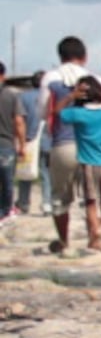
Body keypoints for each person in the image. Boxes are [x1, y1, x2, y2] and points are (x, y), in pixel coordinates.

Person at [36, 37, 101, 252]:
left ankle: (64, 241)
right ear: (85, 56)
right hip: (96, 149)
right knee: (96, 197)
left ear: (60, 56)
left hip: (63, 145)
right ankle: (97, 237)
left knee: (60, 197)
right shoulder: (100, 81)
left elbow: (43, 113)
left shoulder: (50, 78)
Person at [53, 76, 101, 252]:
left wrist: (70, 96)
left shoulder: (78, 114)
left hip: (88, 163)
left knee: (90, 202)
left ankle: (94, 234)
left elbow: (57, 112)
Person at [15, 69, 46, 215]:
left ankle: (23, 203)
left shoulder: (23, 97)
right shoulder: (50, 96)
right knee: (46, 172)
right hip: (47, 138)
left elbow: (20, 119)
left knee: (25, 171)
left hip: (28, 138)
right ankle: (47, 203)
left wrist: (21, 141)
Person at [0, 62, 27, 226]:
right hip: (5, 145)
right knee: (7, 181)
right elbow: (18, 121)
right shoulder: (11, 95)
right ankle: (5, 211)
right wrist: (22, 144)